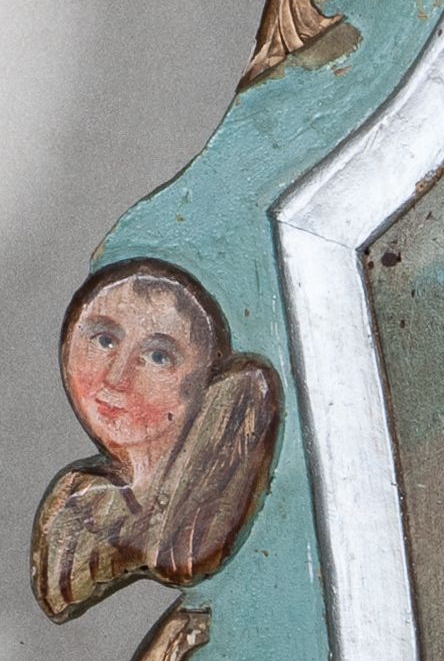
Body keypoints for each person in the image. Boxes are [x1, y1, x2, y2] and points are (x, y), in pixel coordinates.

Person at [32, 261, 280, 619]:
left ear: (202, 383)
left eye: (158, 357)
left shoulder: (207, 485)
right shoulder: (78, 500)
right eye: (105, 340)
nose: (117, 377)